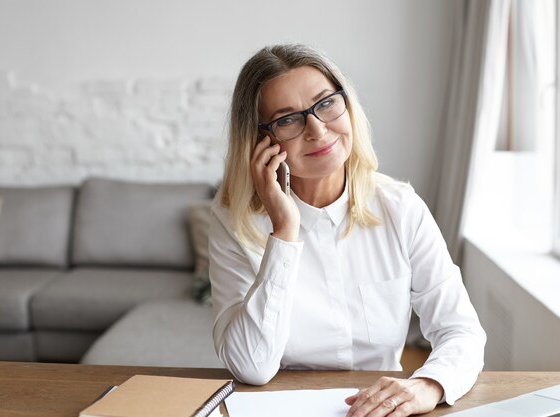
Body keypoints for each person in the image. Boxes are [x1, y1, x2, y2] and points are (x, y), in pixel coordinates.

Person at [208, 44, 486, 417]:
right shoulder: (234, 222)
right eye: (288, 119)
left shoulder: (399, 207)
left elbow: (462, 331)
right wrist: (285, 230)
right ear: (261, 140)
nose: (318, 129)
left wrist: (430, 384)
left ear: (347, 104)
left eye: (326, 103)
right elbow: (250, 367)